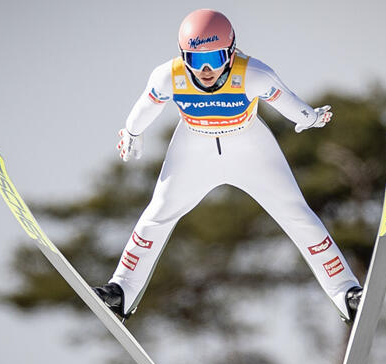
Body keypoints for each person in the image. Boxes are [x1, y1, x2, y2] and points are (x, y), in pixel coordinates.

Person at [93, 9, 362, 323]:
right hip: (193, 150)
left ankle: (347, 294)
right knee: (157, 214)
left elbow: (290, 104)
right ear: (183, 56)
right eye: (195, 60)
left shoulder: (253, 74)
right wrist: (131, 132)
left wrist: (311, 119)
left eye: (215, 57)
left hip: (249, 149)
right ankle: (121, 292)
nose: (205, 70)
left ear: (231, 53)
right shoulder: (169, 75)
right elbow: (144, 108)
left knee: (296, 213)